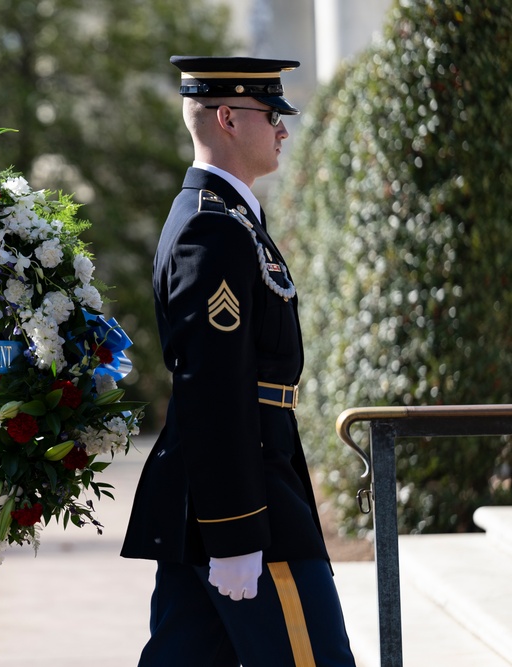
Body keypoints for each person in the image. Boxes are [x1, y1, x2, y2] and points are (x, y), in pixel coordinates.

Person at [120, 56, 356, 666]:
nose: (282, 127)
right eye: (271, 113)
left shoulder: (230, 220)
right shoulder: (213, 230)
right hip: (248, 499)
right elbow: (213, 385)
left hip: (236, 485)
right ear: (226, 117)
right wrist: (234, 530)